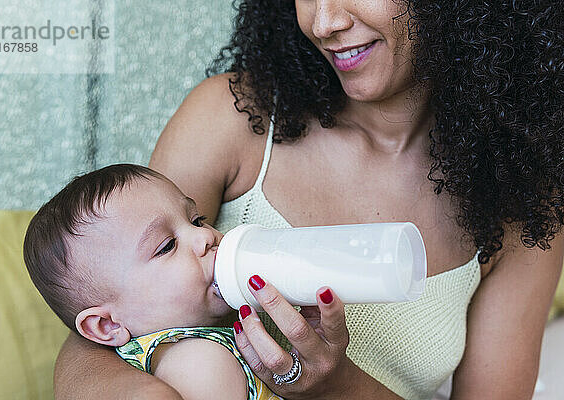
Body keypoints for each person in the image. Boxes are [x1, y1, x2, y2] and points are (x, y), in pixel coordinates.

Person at [54, 0, 564, 399]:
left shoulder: (522, 205)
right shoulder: (235, 117)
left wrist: (335, 387)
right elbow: (103, 314)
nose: (322, 21)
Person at [24, 163, 292, 400]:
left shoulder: (167, 356)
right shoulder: (201, 363)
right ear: (107, 325)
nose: (205, 237)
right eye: (167, 246)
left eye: (197, 220)